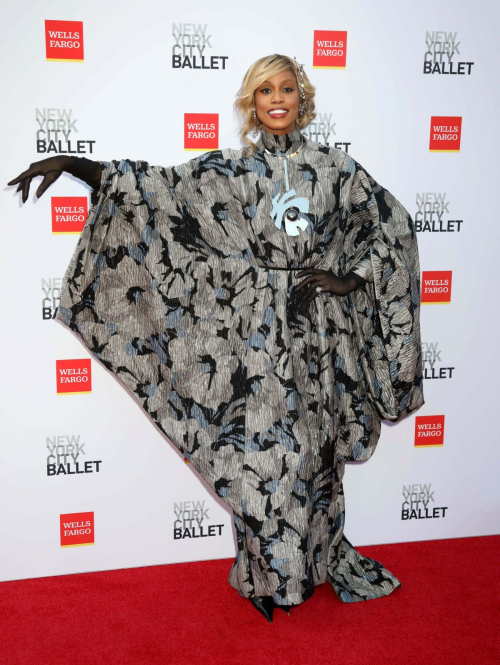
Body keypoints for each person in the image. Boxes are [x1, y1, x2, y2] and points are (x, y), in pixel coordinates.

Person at [7, 54, 424, 623]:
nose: (276, 99)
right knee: (262, 457)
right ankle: (265, 577)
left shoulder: (337, 170)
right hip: (253, 338)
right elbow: (157, 190)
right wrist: (74, 163)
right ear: (252, 104)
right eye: (264, 91)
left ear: (301, 96)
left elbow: (390, 226)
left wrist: (351, 277)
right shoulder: (228, 172)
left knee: (314, 457)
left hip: (319, 337)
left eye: (286, 88)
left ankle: (315, 561)